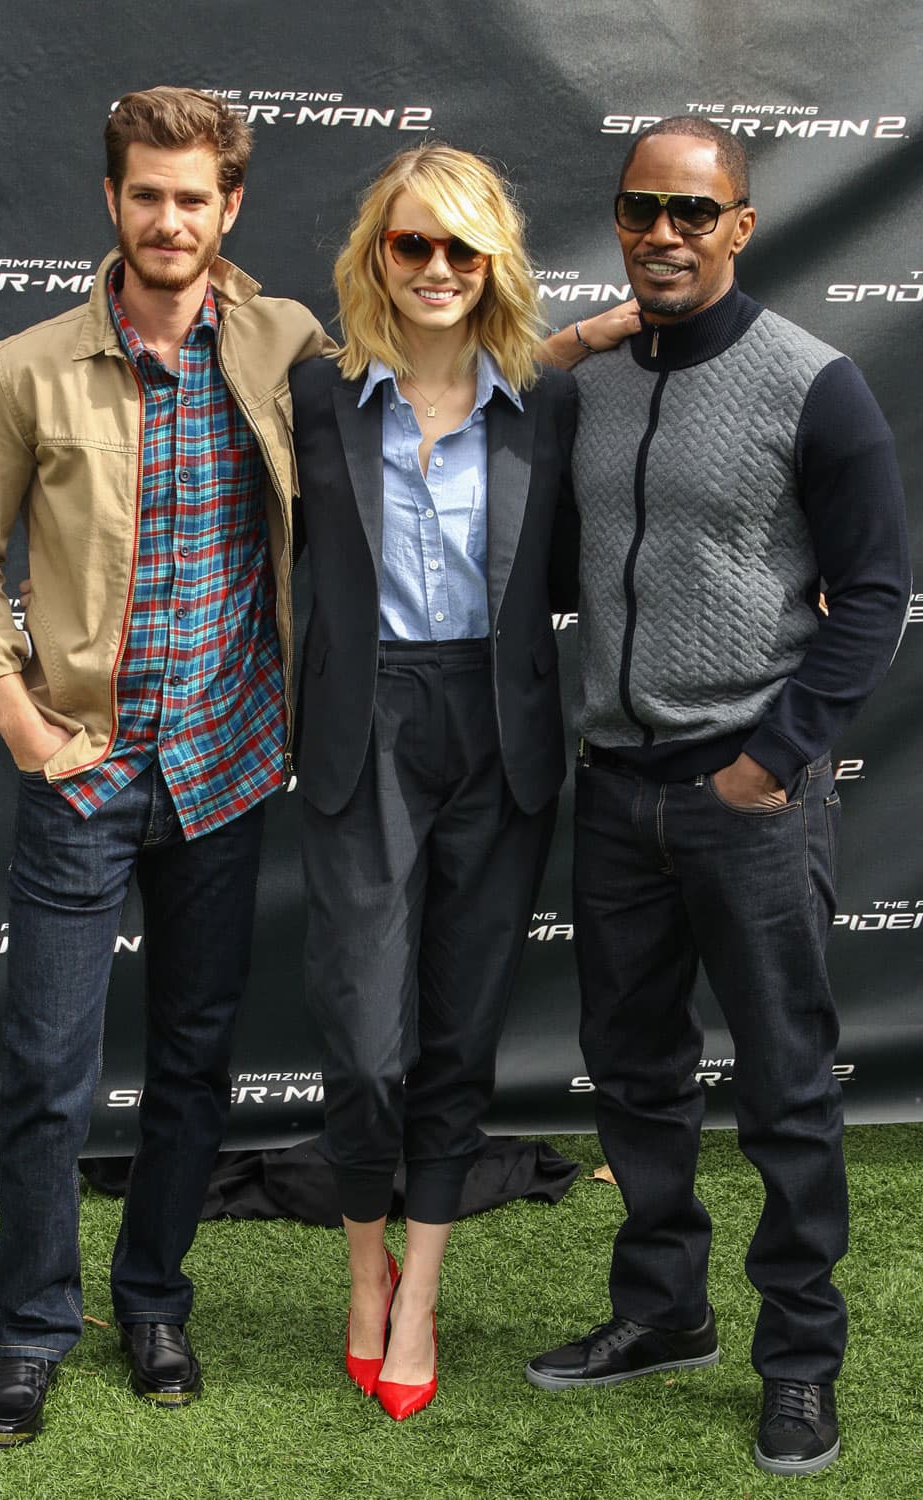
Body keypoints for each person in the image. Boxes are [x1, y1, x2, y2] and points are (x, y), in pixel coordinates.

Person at [0, 86, 331, 1447]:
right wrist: (23, 722)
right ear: (113, 203)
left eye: (196, 196)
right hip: (85, 772)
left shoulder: (285, 343)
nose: (171, 219)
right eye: (147, 195)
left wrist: (564, 343)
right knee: (47, 1069)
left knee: (197, 1057)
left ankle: (155, 1298)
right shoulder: (21, 369)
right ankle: (34, 1329)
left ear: (232, 206)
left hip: (226, 764)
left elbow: (436, 392)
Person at [526, 117, 911, 1476]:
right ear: (619, 219)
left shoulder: (816, 383)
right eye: (642, 209)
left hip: (746, 795)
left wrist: (774, 753)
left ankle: (800, 1362)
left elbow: (873, 598)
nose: (666, 235)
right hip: (616, 790)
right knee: (634, 1079)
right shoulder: (598, 384)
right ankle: (662, 1313)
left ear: (741, 225)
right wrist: (566, 346)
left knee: (788, 1092)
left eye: (696, 213)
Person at [289, 144, 636, 1421]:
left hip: (499, 730)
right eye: (410, 244)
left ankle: (417, 1295)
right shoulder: (314, 394)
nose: (435, 269)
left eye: (461, 249)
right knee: (366, 1039)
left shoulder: (545, 405)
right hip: (360, 724)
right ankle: (363, 1267)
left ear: (493, 262)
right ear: (375, 252)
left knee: (457, 1032)